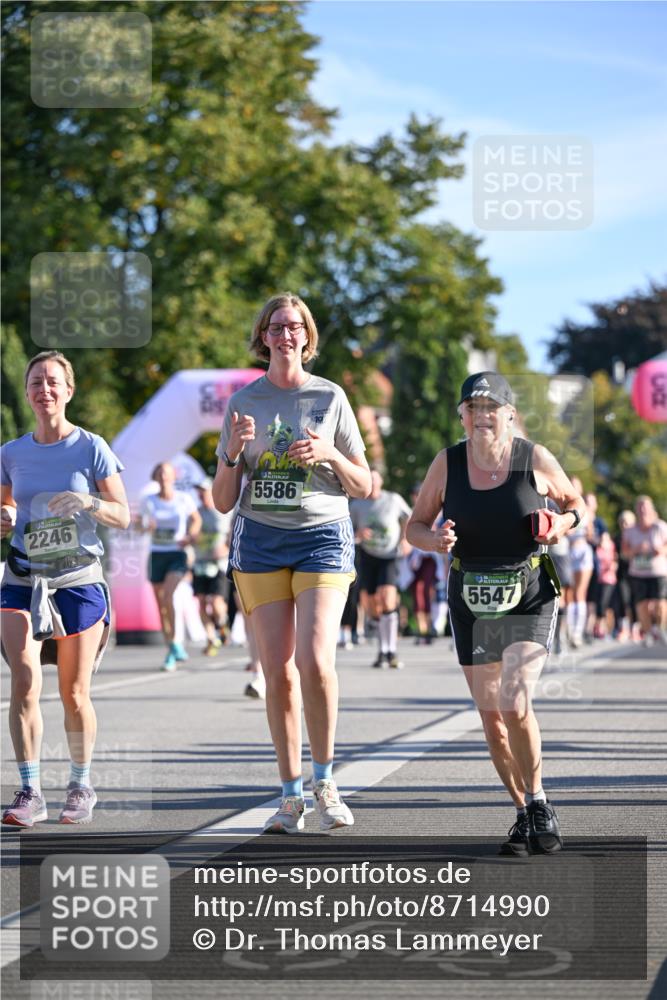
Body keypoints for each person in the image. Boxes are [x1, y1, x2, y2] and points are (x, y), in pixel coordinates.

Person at [407, 371, 586, 856]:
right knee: (491, 718)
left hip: (527, 589)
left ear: (509, 414)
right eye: (472, 408)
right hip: (471, 594)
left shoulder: (534, 458)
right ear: (462, 415)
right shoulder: (447, 463)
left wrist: (561, 523)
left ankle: (540, 799)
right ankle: (523, 813)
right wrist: (434, 540)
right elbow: (414, 526)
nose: (481, 416)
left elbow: (576, 505)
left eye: (491, 408)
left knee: (514, 699)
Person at [212, 292, 371, 833]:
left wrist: (328, 454)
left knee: (315, 662)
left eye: (294, 326)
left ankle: (326, 782)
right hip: (259, 541)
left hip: (322, 535)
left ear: (307, 336)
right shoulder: (242, 403)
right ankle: (289, 795)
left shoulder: (330, 397)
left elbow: (365, 483)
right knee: (277, 672)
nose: (285, 334)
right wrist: (233, 452)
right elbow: (221, 499)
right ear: (264, 336)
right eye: (276, 326)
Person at [0, 351, 129, 827]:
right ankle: (30, 790)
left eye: (53, 381)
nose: (44, 390)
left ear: (68, 390)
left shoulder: (91, 447)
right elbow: (5, 511)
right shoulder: (11, 453)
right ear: (28, 390)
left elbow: (123, 513)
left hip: (77, 580)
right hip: (22, 578)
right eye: (36, 382)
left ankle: (80, 784)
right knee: (25, 682)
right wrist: (6, 519)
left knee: (74, 693)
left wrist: (89, 501)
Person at [139, 462, 201, 671]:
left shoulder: (184, 499)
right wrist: (146, 527)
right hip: (157, 554)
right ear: (155, 477)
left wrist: (190, 536)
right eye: (160, 473)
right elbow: (141, 525)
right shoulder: (149, 500)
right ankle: (172, 649)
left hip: (177, 553)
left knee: (168, 596)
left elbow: (196, 520)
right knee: (161, 606)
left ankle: (175, 643)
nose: (164, 476)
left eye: (167, 473)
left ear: (173, 477)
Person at [350, 470, 411, 668]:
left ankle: (390, 651)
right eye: (370, 481)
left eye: (376, 481)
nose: (373, 485)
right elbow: (346, 528)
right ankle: (382, 650)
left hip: (390, 555)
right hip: (367, 556)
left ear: (381, 482)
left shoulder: (393, 499)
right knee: (370, 604)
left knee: (387, 598)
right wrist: (358, 532)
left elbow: (410, 517)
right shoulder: (357, 504)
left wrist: (405, 539)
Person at [192, 477, 232, 655]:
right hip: (200, 563)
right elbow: (191, 533)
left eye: (204, 491)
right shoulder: (196, 514)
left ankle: (222, 624)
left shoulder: (223, 511)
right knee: (200, 603)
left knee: (216, 603)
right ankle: (211, 639)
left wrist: (225, 548)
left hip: (219, 565)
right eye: (199, 492)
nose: (201, 495)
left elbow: (232, 535)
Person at [622, 495, 667, 646]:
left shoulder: (660, 527)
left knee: (660, 603)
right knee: (641, 604)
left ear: (651, 509)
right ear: (636, 511)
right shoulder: (630, 531)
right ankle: (647, 633)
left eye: (645, 507)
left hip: (658, 571)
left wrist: (660, 550)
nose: (643, 510)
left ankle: (659, 628)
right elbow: (624, 552)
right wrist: (636, 550)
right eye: (640, 507)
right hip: (638, 572)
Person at [566, 475, 593, 648]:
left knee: (580, 594)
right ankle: (569, 632)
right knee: (568, 594)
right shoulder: (564, 507)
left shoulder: (587, 511)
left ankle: (577, 632)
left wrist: (582, 533)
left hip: (582, 551)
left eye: (577, 486)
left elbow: (590, 533)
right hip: (568, 552)